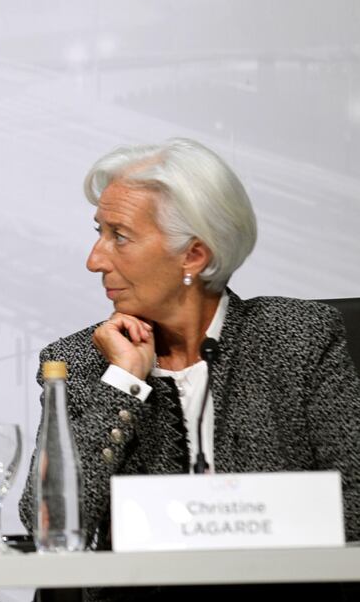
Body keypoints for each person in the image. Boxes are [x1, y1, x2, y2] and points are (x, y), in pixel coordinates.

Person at [19, 138, 360, 601]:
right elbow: (46, 522)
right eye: (99, 232)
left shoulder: (297, 338)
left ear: (194, 255)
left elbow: (354, 505)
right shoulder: (80, 361)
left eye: (119, 236)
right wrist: (122, 384)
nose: (95, 259)